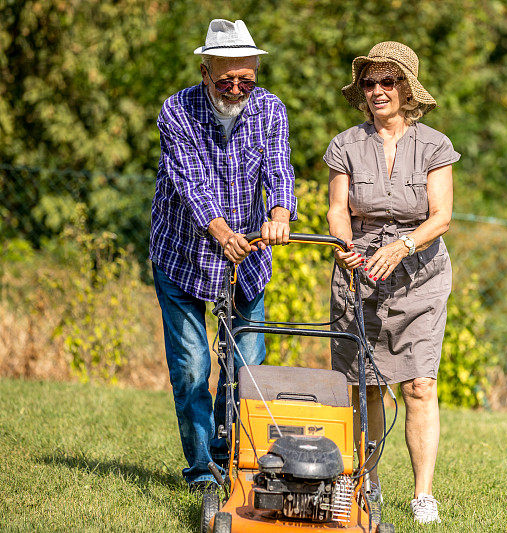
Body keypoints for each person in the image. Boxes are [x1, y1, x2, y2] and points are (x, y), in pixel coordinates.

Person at [149, 18, 297, 493]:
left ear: (256, 72)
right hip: (184, 254)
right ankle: (200, 475)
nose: (236, 88)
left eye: (245, 79)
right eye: (226, 79)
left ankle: (229, 457)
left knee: (245, 370)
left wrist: (279, 212)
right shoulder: (177, 112)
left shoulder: (271, 110)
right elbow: (190, 183)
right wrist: (221, 231)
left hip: (247, 261)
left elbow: (277, 166)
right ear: (206, 71)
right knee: (193, 367)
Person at [324, 41, 459, 525]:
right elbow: (339, 209)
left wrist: (401, 246)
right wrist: (347, 251)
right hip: (359, 275)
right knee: (368, 387)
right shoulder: (345, 144)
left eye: (388, 82)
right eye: (369, 83)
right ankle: (368, 484)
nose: (377, 91)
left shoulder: (434, 145)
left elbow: (440, 217)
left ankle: (423, 496)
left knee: (419, 385)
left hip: (419, 276)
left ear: (407, 89)